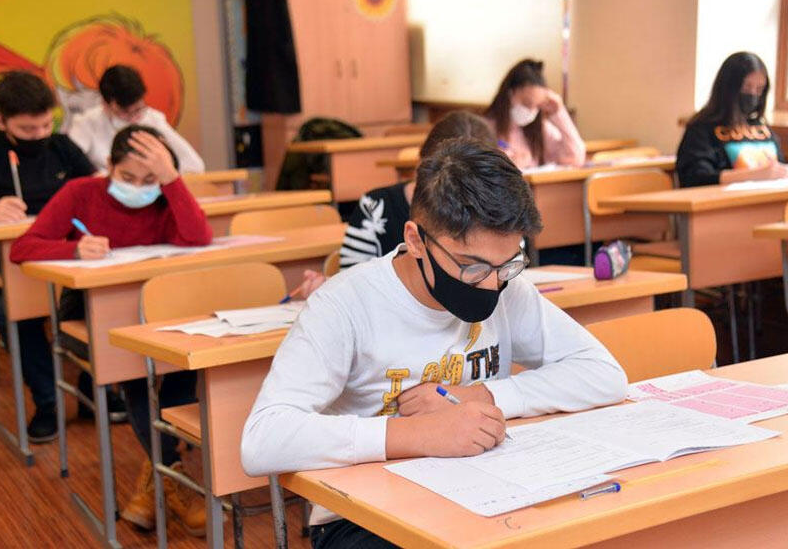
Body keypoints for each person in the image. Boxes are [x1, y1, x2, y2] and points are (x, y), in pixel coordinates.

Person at [241, 139, 628, 548]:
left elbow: (604, 374)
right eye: (472, 266)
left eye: (508, 263)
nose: (491, 284)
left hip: (486, 493)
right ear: (416, 240)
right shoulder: (344, 304)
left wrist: (484, 395)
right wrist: (416, 433)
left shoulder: (506, 287)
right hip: (362, 516)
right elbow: (262, 439)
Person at [11, 125, 212, 535]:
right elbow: (23, 248)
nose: (138, 188)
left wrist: (171, 180)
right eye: (127, 177)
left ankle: (158, 479)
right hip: (88, 315)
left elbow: (199, 237)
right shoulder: (81, 192)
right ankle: (173, 474)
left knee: (182, 357)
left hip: (158, 311)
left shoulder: (168, 195)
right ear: (108, 166)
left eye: (149, 179)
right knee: (136, 367)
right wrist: (73, 249)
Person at [0, 70, 99, 442]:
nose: (38, 135)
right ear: (1, 121)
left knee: (97, 303)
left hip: (65, 253)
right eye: (27, 129)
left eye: (45, 125)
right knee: (14, 313)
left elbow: (94, 190)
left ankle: (92, 389)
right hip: (5, 263)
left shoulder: (62, 146)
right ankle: (48, 401)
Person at [296, 111, 499, 298]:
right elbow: (353, 288)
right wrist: (330, 286)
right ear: (422, 164)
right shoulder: (376, 207)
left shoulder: (493, 213)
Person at [66, 65, 205, 174]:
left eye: (138, 109)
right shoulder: (87, 123)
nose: (133, 119)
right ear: (105, 104)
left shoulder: (153, 119)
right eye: (125, 112)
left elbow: (194, 165)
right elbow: (69, 164)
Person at [677, 52, 787, 187]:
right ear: (728, 87)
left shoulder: (762, 129)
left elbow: (779, 168)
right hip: (723, 198)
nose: (753, 94)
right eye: (746, 87)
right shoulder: (702, 128)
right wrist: (753, 175)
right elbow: (694, 177)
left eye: (759, 89)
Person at [484, 59, 585, 170]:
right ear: (510, 93)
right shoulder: (486, 128)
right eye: (527, 104)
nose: (531, 111)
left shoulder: (540, 128)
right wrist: (510, 166)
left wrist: (559, 113)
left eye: (537, 106)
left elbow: (576, 158)